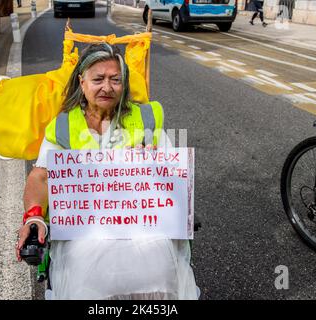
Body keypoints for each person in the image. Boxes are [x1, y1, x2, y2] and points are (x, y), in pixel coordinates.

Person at [15, 43, 199, 300]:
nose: (107, 87)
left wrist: (152, 162)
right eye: (98, 79)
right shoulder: (64, 126)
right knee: (85, 276)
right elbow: (41, 175)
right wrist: (34, 216)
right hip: (84, 232)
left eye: (115, 80)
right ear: (82, 82)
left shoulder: (146, 118)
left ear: (124, 83)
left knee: (159, 269)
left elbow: (173, 176)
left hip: (142, 227)